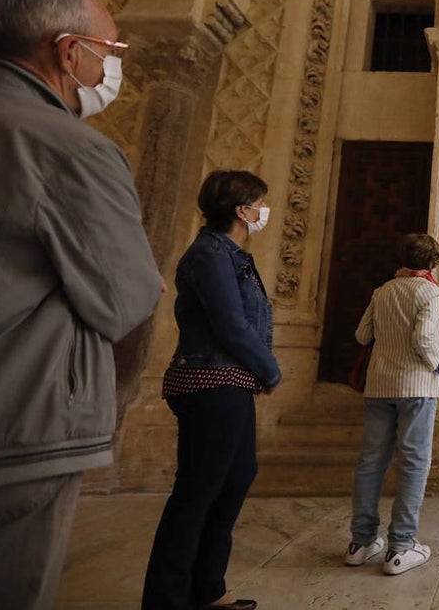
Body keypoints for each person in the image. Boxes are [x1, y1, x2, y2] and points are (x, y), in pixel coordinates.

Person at [0, 0, 163, 609]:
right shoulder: (69, 146)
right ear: (68, 52)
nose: (111, 66)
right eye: (108, 48)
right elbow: (125, 297)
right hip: (7, 432)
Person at [142, 170, 282, 610]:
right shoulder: (210, 255)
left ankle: (208, 588)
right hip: (209, 382)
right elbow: (230, 325)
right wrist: (270, 370)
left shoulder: (231, 254)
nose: (264, 211)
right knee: (197, 491)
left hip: (230, 383)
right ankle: (167, 599)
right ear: (242, 210)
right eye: (260, 203)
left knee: (235, 479)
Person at [345, 233, 439, 575]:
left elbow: (362, 335)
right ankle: (401, 546)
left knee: (371, 462)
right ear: (432, 263)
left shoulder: (383, 290)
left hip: (379, 385)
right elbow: (424, 339)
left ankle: (360, 542)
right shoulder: (429, 291)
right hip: (416, 387)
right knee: (414, 463)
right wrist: (438, 362)